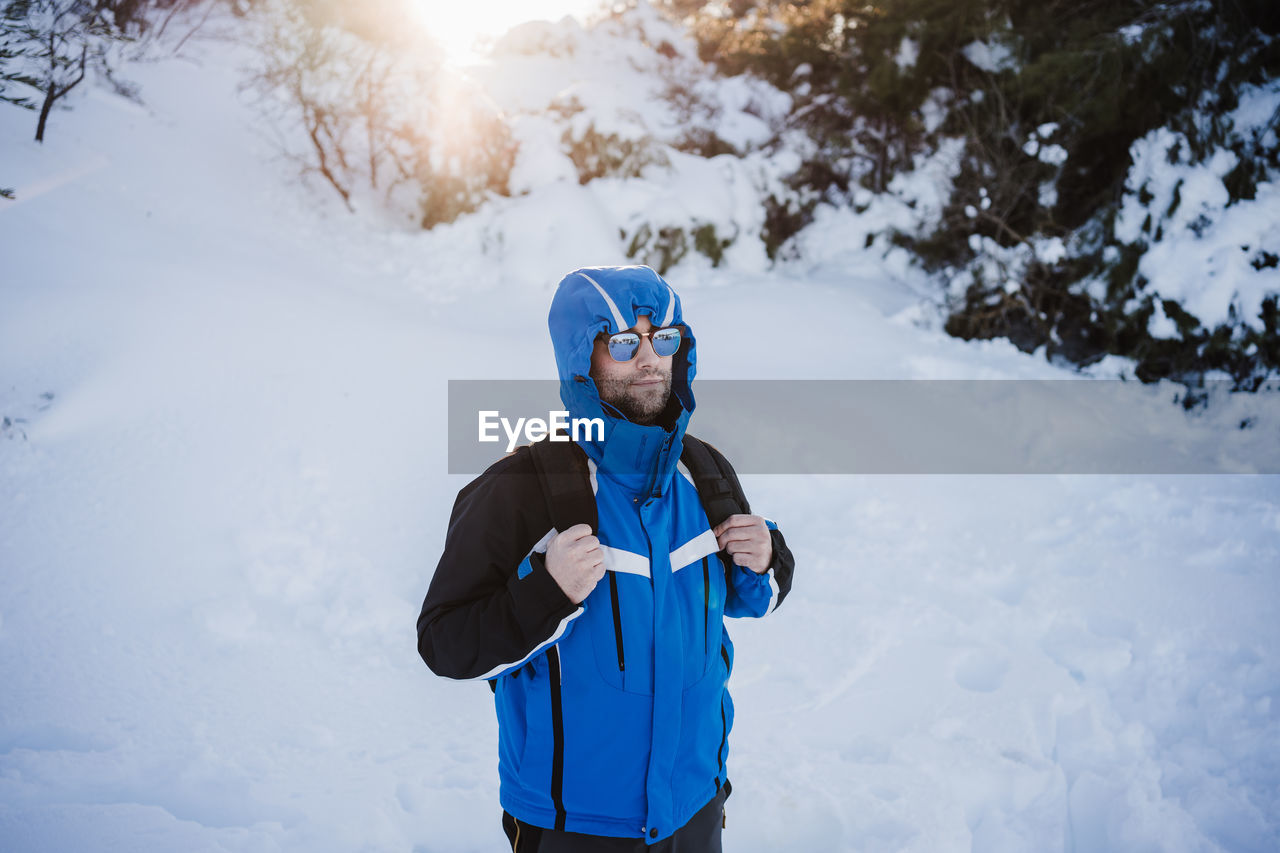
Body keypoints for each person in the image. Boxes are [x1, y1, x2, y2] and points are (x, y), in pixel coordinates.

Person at [417, 265, 795, 851]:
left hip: (695, 803)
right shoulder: (521, 488)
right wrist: (547, 593)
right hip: (574, 825)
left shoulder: (705, 472)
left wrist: (768, 559)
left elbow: (748, 597)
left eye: (662, 338)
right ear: (581, 359)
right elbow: (445, 642)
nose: (648, 359)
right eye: (622, 343)